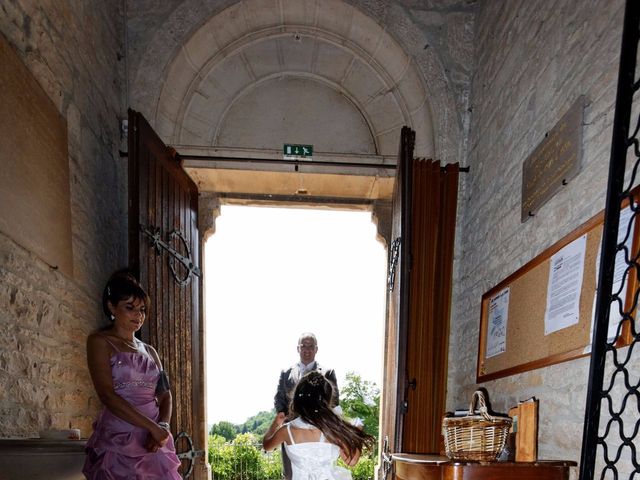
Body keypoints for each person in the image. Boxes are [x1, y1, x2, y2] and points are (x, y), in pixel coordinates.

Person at [83, 270, 182, 479]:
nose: (138, 315)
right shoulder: (99, 342)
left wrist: (162, 426)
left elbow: (165, 394)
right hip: (119, 439)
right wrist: (152, 427)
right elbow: (107, 396)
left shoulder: (150, 351)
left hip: (155, 441)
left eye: (142, 309)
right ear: (112, 307)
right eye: (130, 308)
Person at [263, 371, 374, 480]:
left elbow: (267, 446)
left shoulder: (286, 430)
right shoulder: (333, 429)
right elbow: (351, 461)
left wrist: (275, 424)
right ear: (326, 400)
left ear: (298, 399)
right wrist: (358, 429)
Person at [274, 333, 339, 479]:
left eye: (310, 346)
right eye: (303, 346)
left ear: (316, 349)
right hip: (292, 433)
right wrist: (284, 417)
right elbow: (279, 398)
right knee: (290, 474)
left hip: (319, 433)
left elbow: (334, 402)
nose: (307, 349)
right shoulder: (286, 373)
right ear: (298, 348)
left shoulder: (328, 373)